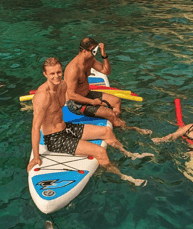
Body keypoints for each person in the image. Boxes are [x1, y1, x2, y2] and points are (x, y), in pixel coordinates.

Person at [27, 57, 153, 186]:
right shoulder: (42, 96)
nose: (56, 76)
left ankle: (129, 154)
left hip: (65, 128)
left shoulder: (63, 85)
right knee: (100, 151)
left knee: (107, 132)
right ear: (45, 74)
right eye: (52, 73)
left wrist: (94, 105)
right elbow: (35, 128)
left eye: (58, 72)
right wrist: (36, 156)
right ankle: (124, 177)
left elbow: (73, 98)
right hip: (54, 139)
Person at [64, 37, 151, 135]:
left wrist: (104, 55)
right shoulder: (73, 69)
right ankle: (129, 128)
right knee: (110, 113)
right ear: (84, 51)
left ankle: (117, 123)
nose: (95, 54)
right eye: (93, 51)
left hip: (87, 94)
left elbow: (106, 71)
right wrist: (92, 102)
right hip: (76, 104)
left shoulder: (90, 60)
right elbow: (71, 95)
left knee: (116, 101)